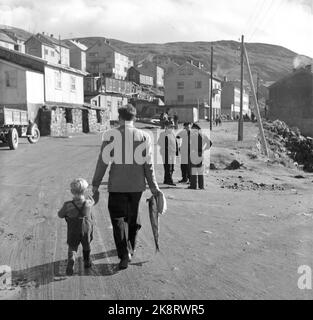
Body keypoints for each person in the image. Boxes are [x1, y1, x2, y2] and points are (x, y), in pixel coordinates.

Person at [92, 104, 162, 270]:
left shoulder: (110, 135)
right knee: (132, 217)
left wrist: (95, 185)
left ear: (119, 117)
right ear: (135, 117)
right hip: (137, 186)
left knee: (118, 219)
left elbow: (102, 163)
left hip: (117, 185)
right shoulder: (145, 136)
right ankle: (131, 246)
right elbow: (148, 165)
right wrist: (154, 187)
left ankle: (124, 253)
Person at [58, 178, 95, 275]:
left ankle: (71, 259)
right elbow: (93, 201)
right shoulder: (88, 203)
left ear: (71, 191)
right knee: (86, 245)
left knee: (73, 246)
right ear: (85, 190)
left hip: (73, 229)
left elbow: (60, 215)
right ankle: (87, 261)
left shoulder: (68, 205)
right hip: (86, 228)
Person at [188, 123, 212, 190]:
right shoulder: (203, 135)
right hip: (201, 154)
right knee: (200, 170)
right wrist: (205, 149)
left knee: (193, 170)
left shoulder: (193, 135)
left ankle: (193, 186)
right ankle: (201, 186)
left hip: (194, 154)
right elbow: (210, 143)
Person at [158, 120, 178, 186]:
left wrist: (176, 152)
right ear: (166, 127)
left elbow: (175, 143)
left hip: (172, 153)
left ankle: (166, 180)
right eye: (170, 126)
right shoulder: (163, 134)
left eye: (172, 127)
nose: (172, 128)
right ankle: (169, 180)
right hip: (166, 153)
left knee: (171, 167)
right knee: (168, 167)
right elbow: (159, 142)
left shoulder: (172, 134)